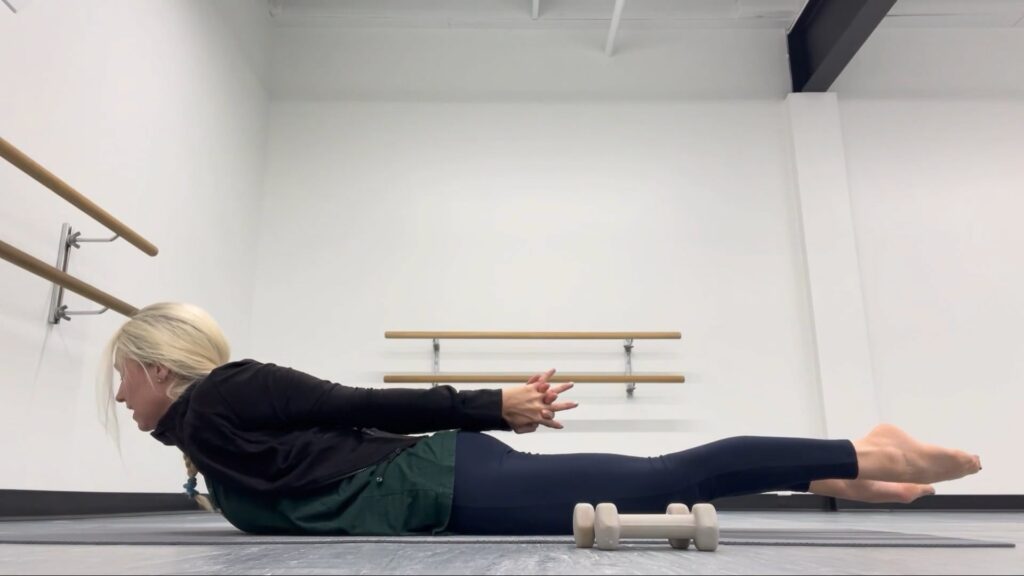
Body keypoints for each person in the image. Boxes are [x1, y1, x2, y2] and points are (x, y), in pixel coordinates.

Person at [100, 302, 982, 536]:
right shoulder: (207, 438)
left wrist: (491, 403)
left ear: (151, 367)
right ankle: (826, 470)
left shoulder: (226, 396)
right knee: (660, 482)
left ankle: (873, 451)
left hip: (441, 481)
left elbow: (356, 403)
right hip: (437, 488)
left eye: (120, 380)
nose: (117, 399)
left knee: (664, 482)